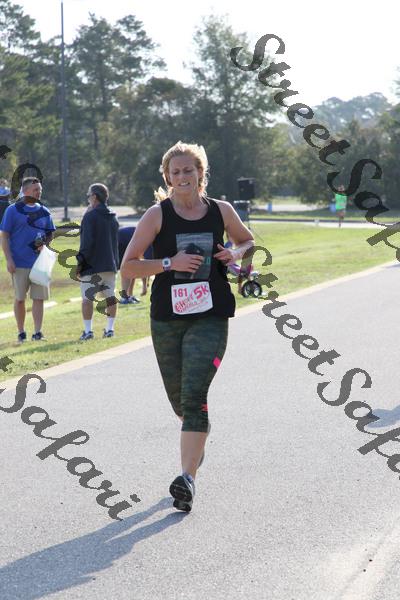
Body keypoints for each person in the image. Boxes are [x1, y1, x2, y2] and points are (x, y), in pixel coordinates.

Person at [121, 141, 254, 512]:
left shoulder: (221, 210)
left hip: (211, 314)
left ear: (201, 173)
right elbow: (129, 265)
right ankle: (195, 445)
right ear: (167, 177)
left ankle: (187, 479)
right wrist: (169, 263)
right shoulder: (157, 215)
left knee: (194, 396)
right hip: (167, 317)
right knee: (180, 402)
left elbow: (247, 241)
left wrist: (235, 252)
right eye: (175, 172)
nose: (182, 177)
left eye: (188, 170)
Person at [0, 176, 56, 342]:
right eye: (35, 190)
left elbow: (50, 233)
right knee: (20, 299)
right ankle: (21, 332)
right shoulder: (12, 210)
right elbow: (4, 236)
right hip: (19, 263)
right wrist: (9, 259)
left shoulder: (44, 211)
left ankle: (37, 332)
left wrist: (44, 243)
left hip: (40, 263)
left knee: (38, 298)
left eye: (40, 190)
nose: (39, 192)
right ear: (25, 191)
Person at [76, 183, 119, 341]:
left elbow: (86, 244)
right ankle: (110, 329)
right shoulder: (113, 217)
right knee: (110, 298)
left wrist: (80, 263)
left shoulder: (90, 216)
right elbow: (115, 244)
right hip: (110, 265)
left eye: (89, 196)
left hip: (92, 266)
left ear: (94, 197)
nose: (88, 199)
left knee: (87, 299)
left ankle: (88, 331)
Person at [118, 226, 152, 304]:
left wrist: (145, 285)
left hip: (126, 239)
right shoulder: (150, 242)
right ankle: (124, 297)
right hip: (121, 241)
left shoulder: (149, 240)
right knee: (127, 268)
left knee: (132, 267)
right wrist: (145, 286)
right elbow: (144, 266)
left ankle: (129, 295)